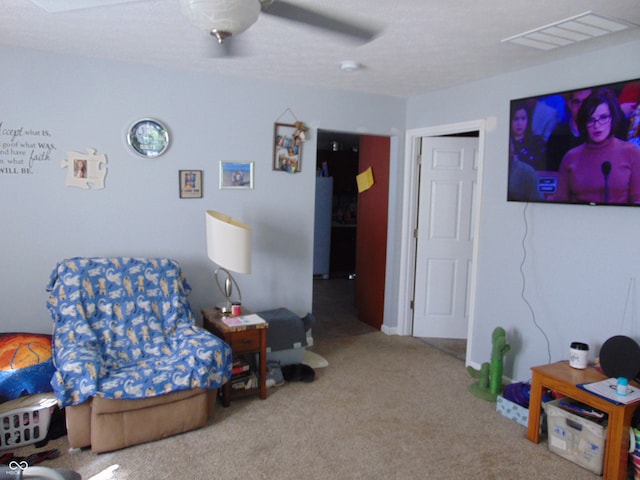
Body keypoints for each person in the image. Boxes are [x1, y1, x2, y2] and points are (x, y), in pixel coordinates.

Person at [555, 89, 640, 204]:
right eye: (590, 120)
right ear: (584, 123)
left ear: (612, 118)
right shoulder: (570, 158)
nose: (597, 125)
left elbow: (637, 200)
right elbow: (560, 203)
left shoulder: (631, 153)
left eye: (603, 118)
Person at [545, 88, 592, 171]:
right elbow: (551, 173)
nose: (581, 107)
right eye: (577, 102)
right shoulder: (557, 136)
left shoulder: (599, 134)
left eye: (586, 102)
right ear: (570, 104)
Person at [510, 100, 547, 171]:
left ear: (528, 120)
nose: (519, 123)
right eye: (516, 119)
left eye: (523, 119)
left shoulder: (537, 142)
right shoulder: (506, 143)